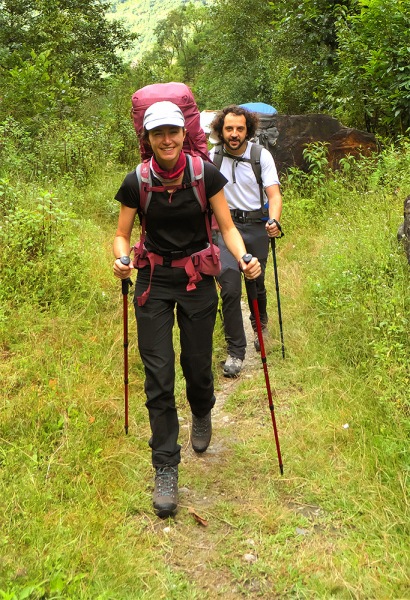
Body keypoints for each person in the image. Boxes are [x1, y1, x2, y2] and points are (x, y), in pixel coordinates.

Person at [113, 101, 260, 518]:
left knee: (197, 366)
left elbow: (227, 227)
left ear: (183, 133)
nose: (166, 140)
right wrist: (121, 258)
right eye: (157, 133)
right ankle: (165, 466)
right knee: (158, 376)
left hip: (197, 281)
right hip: (153, 282)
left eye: (172, 132)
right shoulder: (136, 181)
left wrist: (245, 257)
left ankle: (201, 408)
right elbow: (122, 235)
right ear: (148, 138)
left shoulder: (204, 175)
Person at [209, 105, 283, 377]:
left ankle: (260, 328)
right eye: (229, 128)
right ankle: (235, 351)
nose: (234, 133)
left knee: (256, 283)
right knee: (229, 287)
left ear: (248, 130)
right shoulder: (212, 157)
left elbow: (274, 195)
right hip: (225, 229)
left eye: (240, 128)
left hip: (256, 227)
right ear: (220, 130)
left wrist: (273, 220)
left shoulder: (260, 156)